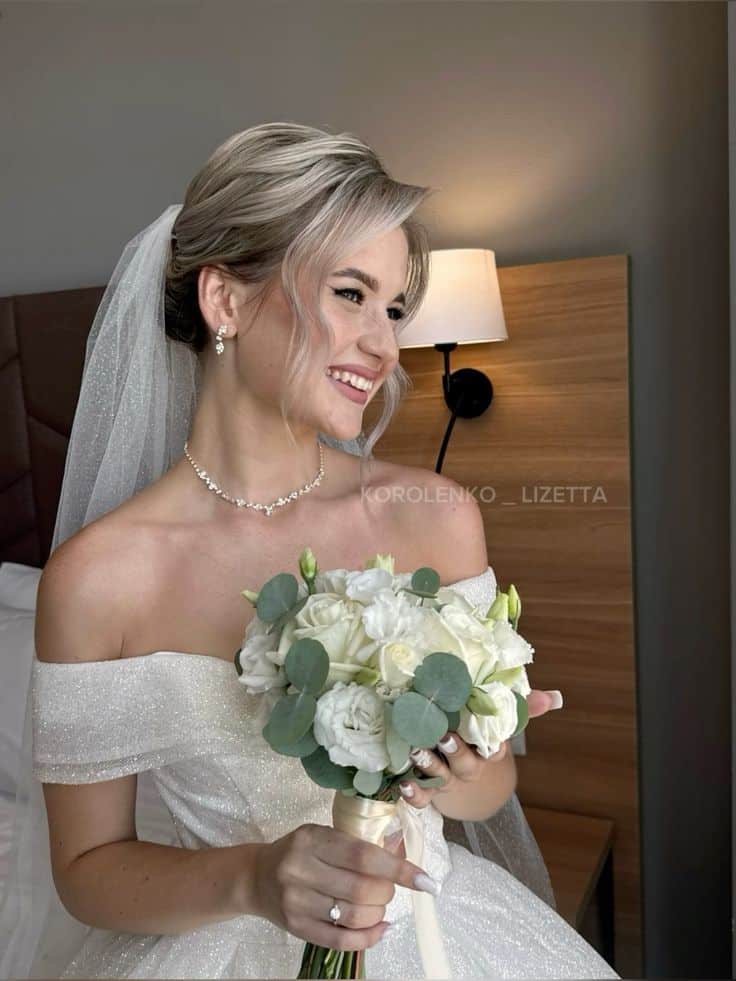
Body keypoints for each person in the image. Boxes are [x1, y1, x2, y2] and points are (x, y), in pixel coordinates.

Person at [0, 122, 620, 980]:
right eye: (351, 294)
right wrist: (253, 877)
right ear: (226, 301)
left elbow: (491, 787)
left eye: (394, 307)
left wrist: (459, 763)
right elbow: (86, 869)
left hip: (434, 936)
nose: (385, 344)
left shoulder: (430, 517)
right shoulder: (99, 580)